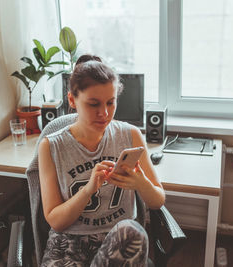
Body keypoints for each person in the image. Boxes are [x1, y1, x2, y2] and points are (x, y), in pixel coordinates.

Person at [38, 54, 165, 266]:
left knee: (132, 231)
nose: (104, 113)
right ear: (72, 100)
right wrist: (88, 190)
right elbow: (56, 221)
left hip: (118, 239)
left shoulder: (130, 135)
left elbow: (158, 200)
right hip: (69, 243)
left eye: (111, 102)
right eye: (93, 104)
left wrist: (141, 184)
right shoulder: (51, 146)